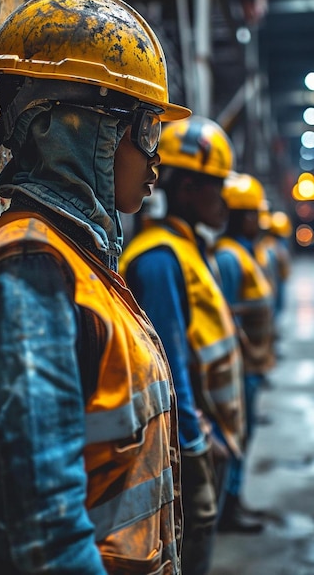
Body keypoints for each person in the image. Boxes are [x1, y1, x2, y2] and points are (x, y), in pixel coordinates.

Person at [0, 0, 193, 574]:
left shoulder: (79, 262)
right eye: (146, 131)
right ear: (81, 129)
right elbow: (48, 537)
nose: (155, 160)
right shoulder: (29, 273)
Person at [119, 116, 245, 574]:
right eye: (216, 185)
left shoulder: (187, 248)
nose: (225, 198)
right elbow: (170, 361)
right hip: (190, 441)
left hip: (208, 431)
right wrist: (193, 442)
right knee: (195, 534)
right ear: (189, 187)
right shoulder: (159, 258)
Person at [215, 172, 275, 533]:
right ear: (239, 216)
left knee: (245, 436)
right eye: (252, 213)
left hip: (252, 364)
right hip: (240, 366)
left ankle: (235, 500)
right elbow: (225, 314)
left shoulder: (243, 252)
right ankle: (229, 507)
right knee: (236, 439)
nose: (258, 220)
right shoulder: (228, 257)